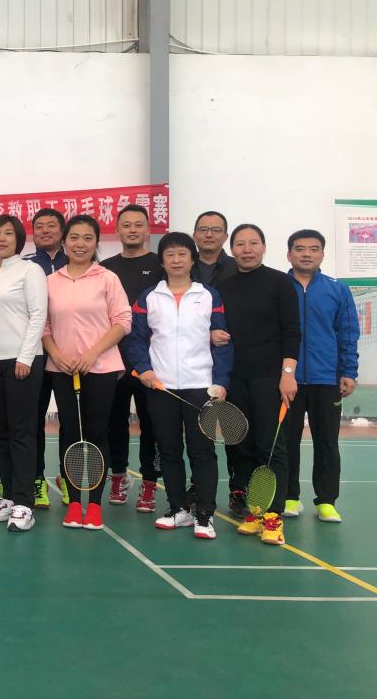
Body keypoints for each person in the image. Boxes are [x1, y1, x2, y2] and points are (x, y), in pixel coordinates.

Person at [125, 232, 233, 540]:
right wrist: (145, 369)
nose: (176, 260)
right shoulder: (149, 297)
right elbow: (135, 339)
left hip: (201, 387)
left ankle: (204, 514)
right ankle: (177, 508)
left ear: (192, 259)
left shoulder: (209, 295)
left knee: (202, 452)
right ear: (162, 261)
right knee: (169, 450)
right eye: (170, 255)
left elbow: (222, 341)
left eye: (182, 254)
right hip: (162, 387)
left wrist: (221, 381)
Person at [42, 215, 131, 531]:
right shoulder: (50, 281)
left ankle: (93, 505)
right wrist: (56, 355)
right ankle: (73, 503)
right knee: (69, 433)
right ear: (64, 241)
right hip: (62, 368)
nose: (80, 244)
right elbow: (44, 325)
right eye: (74, 237)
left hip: (101, 368)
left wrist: (92, 353)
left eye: (88, 238)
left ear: (96, 243)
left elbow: (122, 321)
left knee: (96, 433)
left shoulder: (107, 278)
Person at [216, 224, 300, 546]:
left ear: (264, 247)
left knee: (271, 447)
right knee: (243, 447)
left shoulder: (280, 283)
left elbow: (292, 331)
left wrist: (287, 373)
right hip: (235, 379)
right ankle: (255, 511)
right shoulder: (223, 287)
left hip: (270, 379)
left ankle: (274, 517)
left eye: (253, 243)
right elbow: (215, 326)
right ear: (232, 248)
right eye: (241, 244)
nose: (247, 249)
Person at [0, 215, 47, 532]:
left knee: (22, 433)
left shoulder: (30, 270)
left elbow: (38, 315)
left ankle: (24, 503)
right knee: (1, 433)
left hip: (21, 361)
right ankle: (8, 497)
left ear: (19, 238)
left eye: (8, 233)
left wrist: (26, 356)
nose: (1, 238)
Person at [282, 229, 359, 524]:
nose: (306, 254)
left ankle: (326, 501)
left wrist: (348, 371)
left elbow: (348, 333)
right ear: (289, 254)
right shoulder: (279, 287)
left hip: (326, 379)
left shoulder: (338, 290)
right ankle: (289, 496)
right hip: (287, 380)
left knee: (327, 443)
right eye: (300, 248)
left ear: (322, 254)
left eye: (313, 249)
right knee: (287, 441)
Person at [100, 204, 162, 511]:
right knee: (115, 423)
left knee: (152, 424)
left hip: (152, 363)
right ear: (117, 230)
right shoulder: (106, 267)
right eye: (127, 225)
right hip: (114, 360)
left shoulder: (160, 265)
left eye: (139, 225)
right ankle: (118, 476)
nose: (133, 230)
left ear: (148, 230)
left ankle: (149, 483)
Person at [23, 207, 69, 509]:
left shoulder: (77, 262)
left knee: (70, 421)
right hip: (35, 354)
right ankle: (36, 480)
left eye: (51, 225)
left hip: (69, 357)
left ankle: (67, 478)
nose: (45, 231)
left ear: (62, 231)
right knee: (32, 420)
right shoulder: (25, 265)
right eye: (39, 226)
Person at [191, 211, 237, 286]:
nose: (209, 235)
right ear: (194, 236)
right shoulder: (182, 267)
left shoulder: (238, 267)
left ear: (225, 237)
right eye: (203, 229)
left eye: (216, 230)